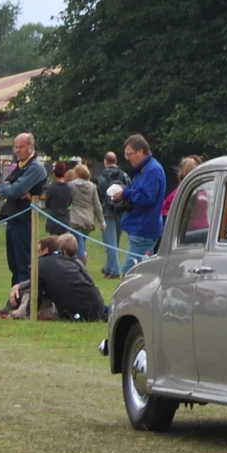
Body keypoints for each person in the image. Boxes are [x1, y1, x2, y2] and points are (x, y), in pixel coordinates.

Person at [0, 133, 45, 291]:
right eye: (16, 147)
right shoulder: (19, 165)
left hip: (25, 219)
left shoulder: (35, 167)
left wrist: (11, 188)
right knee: (13, 264)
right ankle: (14, 299)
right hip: (12, 217)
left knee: (24, 263)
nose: (18, 150)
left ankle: (25, 301)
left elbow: (15, 189)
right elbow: (2, 188)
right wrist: (10, 188)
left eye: (21, 147)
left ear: (31, 147)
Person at [34, 233, 107, 321]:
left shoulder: (41, 265)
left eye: (38, 251)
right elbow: (90, 282)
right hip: (97, 305)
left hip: (77, 312)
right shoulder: (74, 262)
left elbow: (36, 292)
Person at [118, 135, 168, 263]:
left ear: (141, 151)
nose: (127, 158)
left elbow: (147, 198)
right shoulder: (143, 170)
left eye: (129, 154)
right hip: (140, 228)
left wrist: (126, 193)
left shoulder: (153, 170)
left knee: (130, 272)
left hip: (144, 230)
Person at [97, 150, 130, 277]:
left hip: (108, 212)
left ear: (105, 161)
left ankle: (115, 270)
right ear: (116, 161)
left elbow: (100, 195)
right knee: (115, 241)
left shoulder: (102, 177)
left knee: (110, 242)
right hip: (122, 211)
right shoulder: (125, 175)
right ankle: (109, 267)